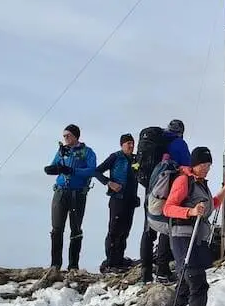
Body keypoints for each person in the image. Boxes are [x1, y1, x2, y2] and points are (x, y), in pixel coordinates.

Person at [149, 146, 225, 306]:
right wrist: (190, 211)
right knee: (198, 284)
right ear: (194, 164)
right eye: (203, 164)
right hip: (182, 238)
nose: (206, 168)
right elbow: (168, 208)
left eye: (209, 165)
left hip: (195, 239)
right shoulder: (183, 180)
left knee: (185, 288)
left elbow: (213, 203)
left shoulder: (200, 184)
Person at [140, 119, 190, 283]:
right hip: (168, 191)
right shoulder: (179, 144)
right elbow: (188, 166)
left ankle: (145, 273)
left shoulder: (157, 142)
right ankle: (162, 271)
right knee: (166, 228)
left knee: (148, 229)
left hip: (151, 190)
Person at [43, 124, 97, 273]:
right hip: (60, 191)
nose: (65, 138)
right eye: (64, 136)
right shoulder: (62, 151)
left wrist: (73, 170)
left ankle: (73, 265)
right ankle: (55, 264)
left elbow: (92, 170)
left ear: (75, 136)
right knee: (57, 228)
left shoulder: (87, 152)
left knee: (75, 228)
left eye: (68, 135)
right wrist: (52, 169)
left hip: (77, 194)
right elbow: (54, 165)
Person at [94, 132, 141, 272]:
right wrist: (109, 183)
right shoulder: (115, 157)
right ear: (122, 145)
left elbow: (139, 174)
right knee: (114, 231)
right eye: (128, 143)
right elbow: (96, 171)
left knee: (125, 230)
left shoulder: (135, 159)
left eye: (133, 143)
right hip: (117, 199)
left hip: (130, 200)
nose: (131, 146)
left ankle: (119, 260)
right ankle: (110, 262)